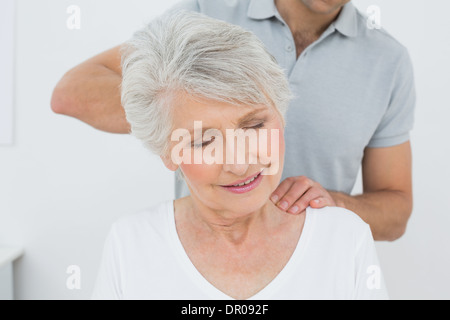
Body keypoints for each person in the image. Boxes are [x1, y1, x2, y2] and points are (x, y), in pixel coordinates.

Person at [51, 0, 415, 241]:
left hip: (312, 266)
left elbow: (396, 212)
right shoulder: (206, 11)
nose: (240, 161)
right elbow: (72, 92)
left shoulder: (389, 60)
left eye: (256, 125)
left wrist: (336, 203)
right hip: (202, 256)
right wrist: (182, 119)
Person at [92, 11, 388, 300]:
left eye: (255, 125)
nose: (239, 163)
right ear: (167, 152)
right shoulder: (130, 245)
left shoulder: (344, 239)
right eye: (205, 141)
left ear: (281, 113)